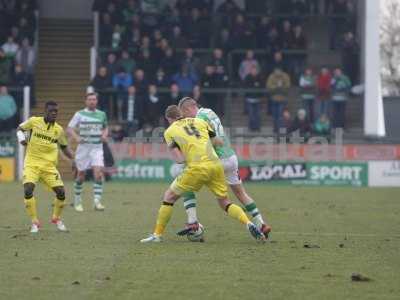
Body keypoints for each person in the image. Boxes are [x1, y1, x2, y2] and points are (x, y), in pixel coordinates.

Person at [140, 105, 265, 243]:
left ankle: (157, 235)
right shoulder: (200, 122)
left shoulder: (170, 131)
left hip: (197, 167)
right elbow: (218, 141)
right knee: (225, 202)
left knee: (169, 196)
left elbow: (179, 159)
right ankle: (248, 223)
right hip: (215, 165)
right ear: (181, 114)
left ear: (169, 119)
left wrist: (186, 155)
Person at [178, 97, 272, 237]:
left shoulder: (198, 120)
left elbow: (209, 141)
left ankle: (192, 222)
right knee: (241, 193)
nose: (186, 119)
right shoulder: (210, 112)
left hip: (218, 160)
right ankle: (261, 224)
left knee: (186, 185)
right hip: (231, 157)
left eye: (185, 115)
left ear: (189, 109)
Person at [16, 101, 74, 233]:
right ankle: (34, 222)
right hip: (32, 164)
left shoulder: (58, 130)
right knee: (28, 190)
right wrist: (21, 139)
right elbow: (20, 129)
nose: (54, 113)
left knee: (61, 192)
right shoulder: (34, 121)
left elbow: (64, 148)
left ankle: (56, 218)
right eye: (51, 111)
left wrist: (74, 159)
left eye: (56, 111)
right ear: (45, 111)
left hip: (49, 166)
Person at [67, 93, 108, 212]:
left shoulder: (102, 114)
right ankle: (78, 201)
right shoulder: (79, 114)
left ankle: (97, 202)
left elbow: (105, 127)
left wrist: (104, 135)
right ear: (86, 101)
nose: (92, 101)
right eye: (90, 99)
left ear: (97, 101)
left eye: (94, 99)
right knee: (81, 175)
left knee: (98, 173)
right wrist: (77, 138)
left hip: (97, 148)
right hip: (83, 149)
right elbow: (69, 128)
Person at [266, 68, 291, 133]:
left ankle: (280, 129)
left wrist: (281, 87)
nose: (278, 72)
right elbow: (268, 86)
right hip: (274, 98)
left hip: (282, 99)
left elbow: (288, 86)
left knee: (280, 116)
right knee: (274, 116)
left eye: (279, 71)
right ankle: (275, 129)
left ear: (281, 71)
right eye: (276, 71)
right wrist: (276, 86)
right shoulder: (271, 76)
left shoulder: (285, 76)